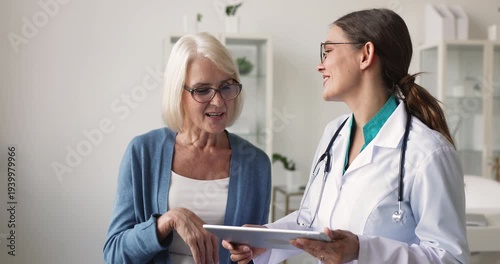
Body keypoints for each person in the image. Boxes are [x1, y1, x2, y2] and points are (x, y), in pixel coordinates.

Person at [223, 8, 469, 264]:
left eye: (327, 51)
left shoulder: (428, 152)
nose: (320, 65)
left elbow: (451, 258)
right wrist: (264, 240)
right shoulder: (334, 133)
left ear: (366, 55)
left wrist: (362, 250)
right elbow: (312, 219)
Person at [103, 32, 272, 264]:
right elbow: (114, 255)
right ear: (177, 93)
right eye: (202, 90)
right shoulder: (143, 152)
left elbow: (258, 255)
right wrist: (166, 222)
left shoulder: (256, 163)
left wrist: (252, 254)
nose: (219, 102)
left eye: (226, 87)